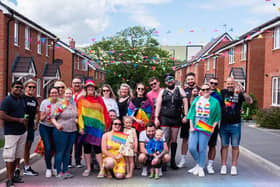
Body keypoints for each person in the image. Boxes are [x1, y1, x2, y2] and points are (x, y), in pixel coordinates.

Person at [154, 73, 188, 169]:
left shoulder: (179, 89)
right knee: (165, 139)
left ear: (174, 80)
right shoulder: (162, 91)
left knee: (174, 139)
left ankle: (172, 161)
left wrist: (186, 115)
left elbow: (185, 102)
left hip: (176, 118)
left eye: (171, 79)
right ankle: (164, 160)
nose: (170, 81)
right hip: (165, 117)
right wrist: (156, 117)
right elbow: (158, 105)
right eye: (168, 80)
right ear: (165, 82)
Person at [220, 77, 253, 175]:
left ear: (234, 84)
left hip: (235, 125)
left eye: (232, 83)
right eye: (228, 83)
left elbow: (250, 101)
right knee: (224, 146)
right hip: (224, 124)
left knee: (235, 146)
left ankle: (234, 166)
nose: (230, 85)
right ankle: (223, 165)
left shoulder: (239, 93)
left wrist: (243, 92)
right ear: (226, 84)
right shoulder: (223, 92)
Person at [77, 80, 110, 177]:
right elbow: (80, 114)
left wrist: (106, 125)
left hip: (97, 128)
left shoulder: (99, 99)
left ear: (95, 89)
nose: (90, 88)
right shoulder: (81, 99)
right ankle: (88, 168)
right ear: (86, 89)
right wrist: (81, 127)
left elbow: (105, 112)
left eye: (92, 87)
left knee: (97, 148)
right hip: (86, 127)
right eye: (88, 87)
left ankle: (101, 169)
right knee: (86, 149)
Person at [187, 83, 221, 177]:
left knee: (202, 148)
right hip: (195, 124)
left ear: (210, 90)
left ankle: (200, 167)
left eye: (207, 89)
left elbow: (217, 117)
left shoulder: (215, 102)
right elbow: (191, 113)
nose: (205, 91)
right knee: (192, 147)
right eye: (203, 89)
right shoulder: (197, 99)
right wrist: (191, 126)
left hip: (206, 125)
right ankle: (199, 164)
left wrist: (213, 127)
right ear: (201, 91)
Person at [0, 81, 27, 186]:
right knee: (9, 156)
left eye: (21, 88)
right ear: (11, 88)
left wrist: (24, 122)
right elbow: (2, 115)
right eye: (17, 87)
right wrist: (18, 120)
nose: (19, 89)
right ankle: (9, 179)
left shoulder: (21, 99)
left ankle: (15, 176)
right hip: (11, 133)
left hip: (22, 132)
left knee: (17, 155)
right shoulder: (7, 100)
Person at [51, 88, 78, 179]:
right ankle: (59, 171)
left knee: (67, 152)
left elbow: (77, 115)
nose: (68, 95)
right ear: (63, 94)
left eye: (70, 94)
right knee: (60, 151)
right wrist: (57, 125)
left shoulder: (74, 104)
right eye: (67, 94)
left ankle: (65, 170)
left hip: (72, 131)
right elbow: (53, 117)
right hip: (61, 131)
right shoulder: (61, 104)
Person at [17, 79, 39, 177]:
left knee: (27, 148)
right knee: (19, 148)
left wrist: (36, 122)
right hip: (20, 127)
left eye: (34, 87)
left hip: (30, 127)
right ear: (25, 88)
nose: (31, 89)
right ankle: (16, 168)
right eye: (29, 87)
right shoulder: (21, 98)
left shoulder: (34, 100)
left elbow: (38, 111)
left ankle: (26, 167)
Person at [178, 72, 200, 168]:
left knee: (198, 141)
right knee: (185, 139)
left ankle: (198, 161)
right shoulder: (183, 91)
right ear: (186, 81)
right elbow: (181, 105)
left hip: (198, 119)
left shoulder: (201, 90)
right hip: (186, 118)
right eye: (188, 79)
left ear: (195, 79)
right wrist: (184, 116)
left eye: (192, 79)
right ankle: (183, 159)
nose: (190, 81)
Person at [39, 87, 59, 178]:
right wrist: (46, 113)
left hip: (55, 127)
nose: (54, 94)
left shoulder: (61, 103)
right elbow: (41, 119)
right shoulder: (44, 102)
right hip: (45, 127)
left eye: (55, 92)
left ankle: (55, 167)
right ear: (49, 94)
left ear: (58, 94)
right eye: (52, 93)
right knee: (48, 147)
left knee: (56, 148)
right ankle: (48, 168)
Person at [206, 78, 223, 174]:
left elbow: (219, 111)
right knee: (200, 145)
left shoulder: (218, 96)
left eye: (215, 83)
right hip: (201, 124)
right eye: (211, 82)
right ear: (208, 83)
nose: (213, 85)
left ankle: (210, 165)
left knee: (212, 145)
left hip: (212, 124)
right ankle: (199, 164)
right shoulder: (202, 92)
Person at [70, 77, 85, 168]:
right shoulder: (68, 94)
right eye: (75, 83)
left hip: (81, 121)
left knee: (79, 142)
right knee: (69, 142)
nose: (77, 84)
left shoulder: (84, 95)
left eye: (78, 83)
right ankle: (68, 161)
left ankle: (78, 161)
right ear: (72, 84)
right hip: (70, 121)